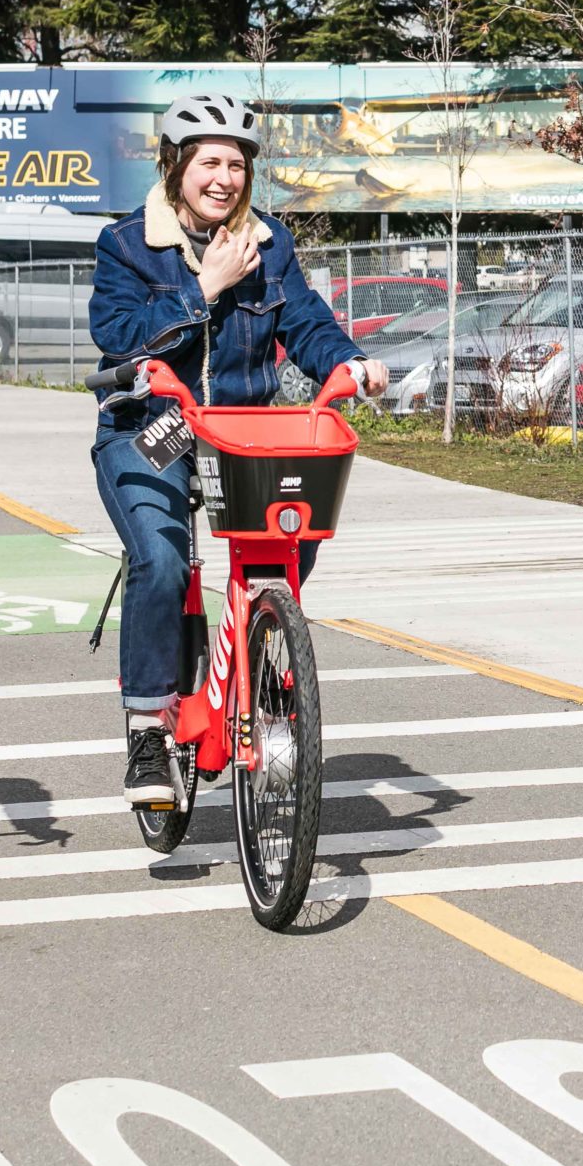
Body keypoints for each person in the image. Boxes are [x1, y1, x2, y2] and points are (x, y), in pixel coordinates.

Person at [89, 93, 388, 806]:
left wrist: (347, 362)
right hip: (149, 427)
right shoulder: (127, 243)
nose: (222, 178)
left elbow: (307, 323)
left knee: (295, 536)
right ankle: (149, 729)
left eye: (235, 164)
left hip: (241, 431)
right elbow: (119, 335)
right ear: (175, 167)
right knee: (159, 559)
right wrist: (203, 289)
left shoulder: (271, 243)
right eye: (208, 162)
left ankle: (259, 642)